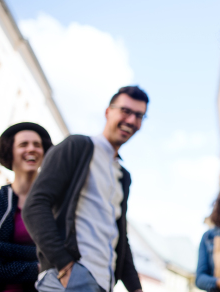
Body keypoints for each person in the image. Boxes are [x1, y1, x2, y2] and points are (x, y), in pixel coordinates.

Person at [23, 86, 149, 292]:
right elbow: (35, 205)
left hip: (103, 283)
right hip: (70, 277)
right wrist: (65, 267)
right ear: (108, 111)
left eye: (139, 116)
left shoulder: (123, 175)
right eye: (126, 111)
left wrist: (135, 288)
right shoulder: (77, 146)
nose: (132, 120)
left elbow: (119, 236)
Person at [0, 122, 53, 292]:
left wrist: (2, 249)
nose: (32, 149)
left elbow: (58, 255)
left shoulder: (55, 203)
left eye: (37, 145)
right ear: (10, 152)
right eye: (23, 144)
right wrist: (38, 268)